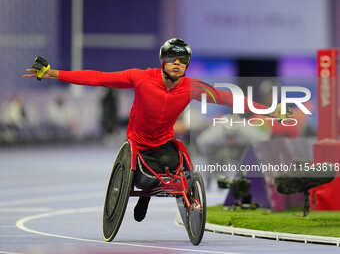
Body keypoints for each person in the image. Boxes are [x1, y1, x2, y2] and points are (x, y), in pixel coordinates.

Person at [24, 38, 284, 222]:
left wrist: (267, 110)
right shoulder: (140, 77)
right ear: (163, 61)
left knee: (175, 168)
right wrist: (54, 74)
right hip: (137, 141)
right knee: (143, 174)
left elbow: (229, 98)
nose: (177, 64)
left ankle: (148, 195)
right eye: (173, 59)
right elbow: (98, 77)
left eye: (183, 61)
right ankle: (144, 196)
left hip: (164, 141)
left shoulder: (192, 87)